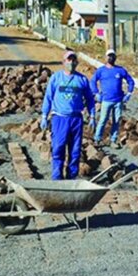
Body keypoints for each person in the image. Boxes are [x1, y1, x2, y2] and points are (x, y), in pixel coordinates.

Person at [41, 50, 95, 180]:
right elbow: (48, 97)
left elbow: (89, 99)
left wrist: (92, 115)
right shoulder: (56, 78)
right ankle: (57, 177)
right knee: (58, 148)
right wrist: (44, 115)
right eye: (68, 60)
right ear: (63, 62)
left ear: (76, 62)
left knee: (75, 151)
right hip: (59, 118)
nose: (71, 62)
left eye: (73, 60)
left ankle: (71, 178)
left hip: (76, 119)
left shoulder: (81, 79)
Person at [92, 49, 135, 145]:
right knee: (103, 120)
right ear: (105, 57)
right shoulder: (101, 71)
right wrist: (96, 93)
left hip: (118, 101)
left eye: (112, 56)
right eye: (109, 56)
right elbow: (93, 81)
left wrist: (129, 93)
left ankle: (113, 140)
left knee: (117, 121)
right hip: (106, 100)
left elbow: (130, 81)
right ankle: (97, 139)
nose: (110, 58)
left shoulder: (120, 70)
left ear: (115, 58)